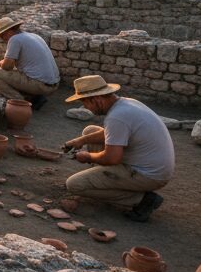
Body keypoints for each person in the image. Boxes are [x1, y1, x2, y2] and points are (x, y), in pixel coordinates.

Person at [60, 75, 174, 222]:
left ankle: (143, 200)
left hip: (149, 175)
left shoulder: (117, 117)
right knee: (89, 131)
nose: (85, 108)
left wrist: (87, 156)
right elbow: (111, 133)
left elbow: (112, 158)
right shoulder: (126, 103)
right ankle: (106, 179)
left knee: (74, 185)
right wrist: (80, 141)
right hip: (152, 166)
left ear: (96, 99)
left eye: (84, 103)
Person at [0, 17, 59, 110]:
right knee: (18, 71)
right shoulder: (34, 36)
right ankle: (35, 96)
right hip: (53, 84)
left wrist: (1, 62)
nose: (3, 39)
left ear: (8, 31)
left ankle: (22, 102)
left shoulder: (15, 39)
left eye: (2, 35)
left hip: (40, 85)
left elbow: (7, 66)